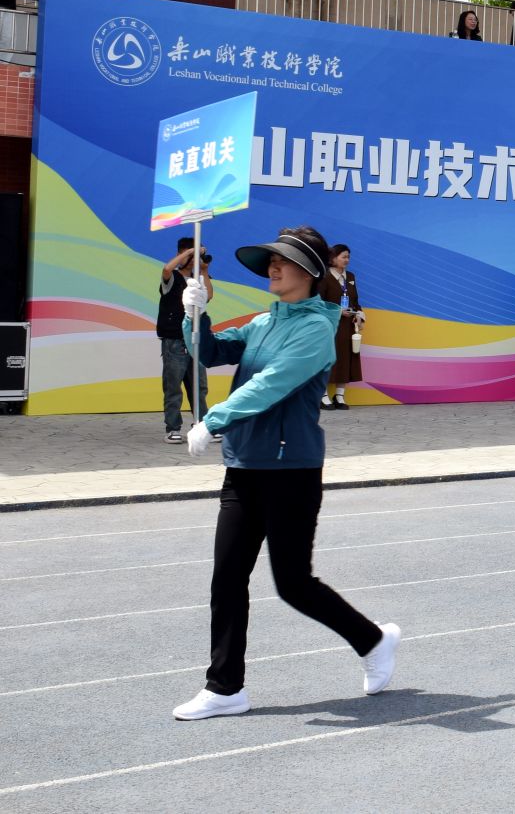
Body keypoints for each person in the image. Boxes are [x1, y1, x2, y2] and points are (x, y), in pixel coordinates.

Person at [171, 225, 398, 721]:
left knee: (294, 584)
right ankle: (225, 688)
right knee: (227, 579)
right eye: (270, 259)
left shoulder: (317, 329)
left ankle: (373, 640)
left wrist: (214, 419)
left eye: (284, 260)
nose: (273, 266)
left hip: (290, 471)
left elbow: (273, 383)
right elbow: (210, 352)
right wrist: (195, 314)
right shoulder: (262, 322)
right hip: (243, 467)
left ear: (311, 272)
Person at [158, 238, 209, 442]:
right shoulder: (173, 278)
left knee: (199, 387)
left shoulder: (197, 279)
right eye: (192, 255)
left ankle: (202, 424)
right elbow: (166, 269)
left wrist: (204, 271)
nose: (195, 259)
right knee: (173, 386)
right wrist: (188, 253)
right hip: (175, 341)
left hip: (195, 339)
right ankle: (173, 428)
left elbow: (209, 296)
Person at [321, 244, 364, 411]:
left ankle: (339, 395)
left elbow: (355, 301)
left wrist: (358, 315)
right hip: (330, 325)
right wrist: (338, 311)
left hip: (347, 325)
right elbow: (319, 302)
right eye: (344, 256)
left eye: (348, 257)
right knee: (327, 359)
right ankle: (323, 395)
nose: (347, 260)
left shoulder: (350, 276)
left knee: (345, 358)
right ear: (333, 258)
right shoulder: (324, 276)